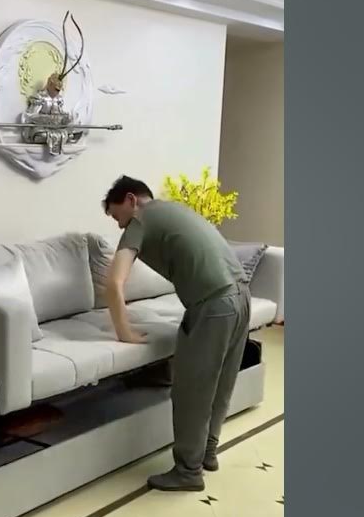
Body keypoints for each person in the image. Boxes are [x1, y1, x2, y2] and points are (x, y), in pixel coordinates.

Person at [102, 175, 252, 491]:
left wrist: (124, 332)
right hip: (242, 297)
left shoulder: (140, 220)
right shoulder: (177, 210)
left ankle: (188, 471)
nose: (119, 225)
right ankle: (207, 452)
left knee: (192, 391)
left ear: (131, 200)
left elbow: (114, 283)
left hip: (213, 305)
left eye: (117, 215)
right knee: (221, 382)